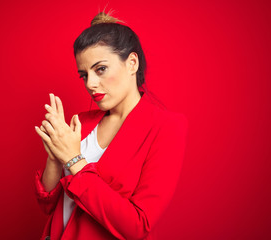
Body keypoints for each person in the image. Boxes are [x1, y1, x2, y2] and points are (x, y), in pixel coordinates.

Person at [34, 11, 188, 240]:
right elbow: (49, 204)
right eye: (84, 75)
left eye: (101, 69)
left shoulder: (166, 127)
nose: (91, 84)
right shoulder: (81, 121)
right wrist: (55, 156)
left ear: (132, 63)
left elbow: (138, 226)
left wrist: (74, 160)